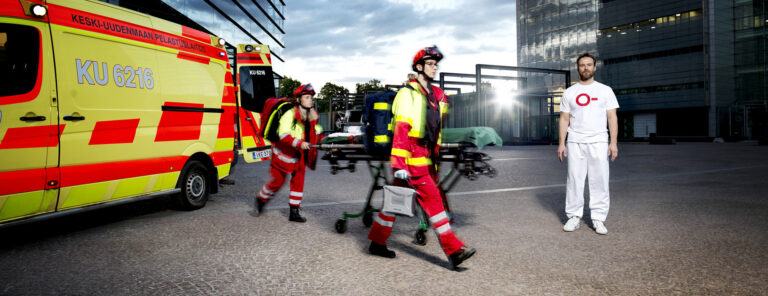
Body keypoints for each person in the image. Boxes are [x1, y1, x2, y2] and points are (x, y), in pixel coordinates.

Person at [367, 46, 476, 270]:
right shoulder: (407, 94)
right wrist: (399, 163)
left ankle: (377, 242)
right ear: (418, 67)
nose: (434, 67)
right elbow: (401, 130)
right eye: (429, 64)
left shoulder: (435, 95)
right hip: (412, 155)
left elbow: (438, 120)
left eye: (436, 64)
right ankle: (454, 251)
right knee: (434, 201)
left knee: (395, 202)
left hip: (425, 155)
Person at [557, 52, 619, 235]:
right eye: (582, 65)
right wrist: (562, 143)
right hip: (575, 141)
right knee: (575, 179)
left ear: (594, 67)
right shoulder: (570, 92)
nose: (586, 68)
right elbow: (564, 119)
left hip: (599, 140)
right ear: (578, 68)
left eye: (589, 65)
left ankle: (598, 218)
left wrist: (613, 142)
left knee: (599, 180)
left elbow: (612, 117)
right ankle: (573, 217)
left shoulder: (605, 90)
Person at [255, 84, 323, 222]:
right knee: (277, 182)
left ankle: (294, 212)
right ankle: (261, 200)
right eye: (307, 97)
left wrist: (326, 142)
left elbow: (316, 132)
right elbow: (283, 135)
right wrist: (299, 143)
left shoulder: (311, 115)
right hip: (283, 154)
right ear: (298, 99)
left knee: (298, 182)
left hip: (299, 154)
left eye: (311, 98)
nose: (310, 100)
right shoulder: (290, 113)